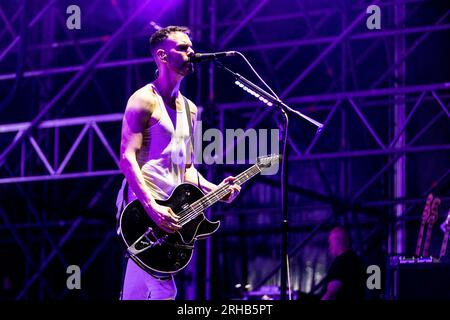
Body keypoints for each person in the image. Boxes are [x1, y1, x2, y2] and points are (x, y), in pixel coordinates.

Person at [115, 26, 241, 300]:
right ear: (162, 55)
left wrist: (215, 189)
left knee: (135, 294)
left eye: (190, 46)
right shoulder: (144, 100)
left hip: (170, 211)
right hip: (141, 208)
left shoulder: (191, 109)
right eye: (182, 48)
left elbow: (187, 168)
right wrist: (152, 207)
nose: (191, 52)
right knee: (165, 289)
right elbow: (127, 158)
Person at [320, 226, 365, 300]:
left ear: (338, 241)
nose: (329, 246)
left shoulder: (340, 262)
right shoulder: (355, 260)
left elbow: (331, 292)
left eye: (330, 242)